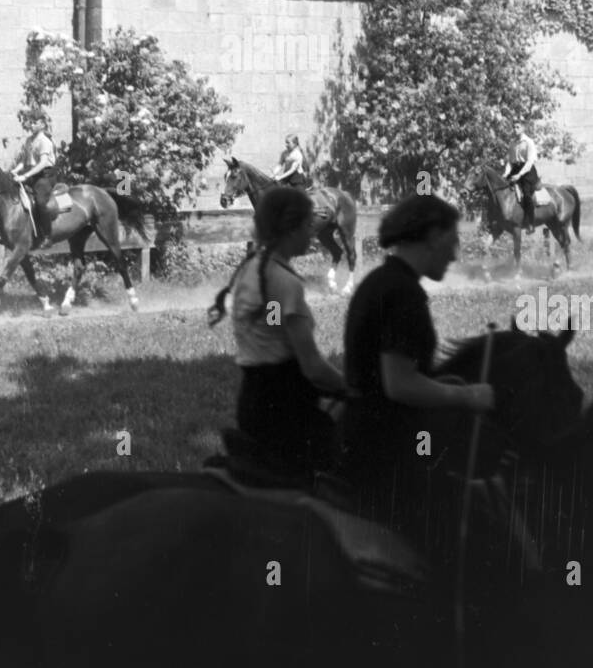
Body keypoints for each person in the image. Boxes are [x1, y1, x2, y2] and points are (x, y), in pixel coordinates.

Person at [336, 194, 494, 540]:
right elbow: (400, 384)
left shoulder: (380, 280)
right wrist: (466, 396)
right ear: (434, 236)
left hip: (361, 432)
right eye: (452, 242)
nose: (454, 254)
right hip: (387, 450)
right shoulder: (403, 293)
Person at [209, 185, 345, 477]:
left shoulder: (253, 268)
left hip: (253, 401)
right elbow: (313, 368)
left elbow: (272, 325)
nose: (312, 233)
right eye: (308, 225)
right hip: (287, 408)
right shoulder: (285, 282)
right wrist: (352, 389)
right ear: (290, 229)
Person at [11, 112, 58, 247]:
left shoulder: (45, 141)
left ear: (42, 125)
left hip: (45, 176)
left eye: (34, 122)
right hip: (31, 173)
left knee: (40, 202)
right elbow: (24, 161)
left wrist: (25, 176)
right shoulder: (29, 140)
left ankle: (48, 236)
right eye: (30, 122)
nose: (31, 125)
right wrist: (15, 171)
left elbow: (42, 163)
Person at [503, 125, 540, 234]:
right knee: (502, 188)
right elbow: (510, 161)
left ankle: (531, 224)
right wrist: (506, 174)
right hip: (515, 169)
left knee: (527, 194)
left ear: (523, 128)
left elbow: (530, 162)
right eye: (514, 127)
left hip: (527, 172)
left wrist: (519, 175)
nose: (515, 129)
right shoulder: (512, 143)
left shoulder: (529, 142)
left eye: (517, 127)